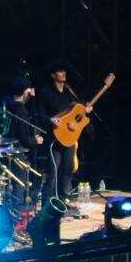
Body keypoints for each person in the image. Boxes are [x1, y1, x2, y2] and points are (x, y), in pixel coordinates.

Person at [37, 60, 92, 203]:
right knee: (53, 171)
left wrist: (85, 109)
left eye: (64, 71)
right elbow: (40, 115)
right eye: (60, 71)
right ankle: (48, 202)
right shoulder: (46, 93)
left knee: (68, 170)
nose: (64, 73)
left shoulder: (69, 92)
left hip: (70, 138)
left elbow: (78, 111)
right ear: (53, 75)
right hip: (54, 138)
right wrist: (50, 120)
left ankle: (64, 200)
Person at [5, 76, 44, 204]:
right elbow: (24, 137)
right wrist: (36, 140)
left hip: (7, 150)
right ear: (25, 92)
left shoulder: (8, 107)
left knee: (11, 185)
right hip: (18, 153)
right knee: (20, 185)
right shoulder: (21, 111)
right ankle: (18, 212)